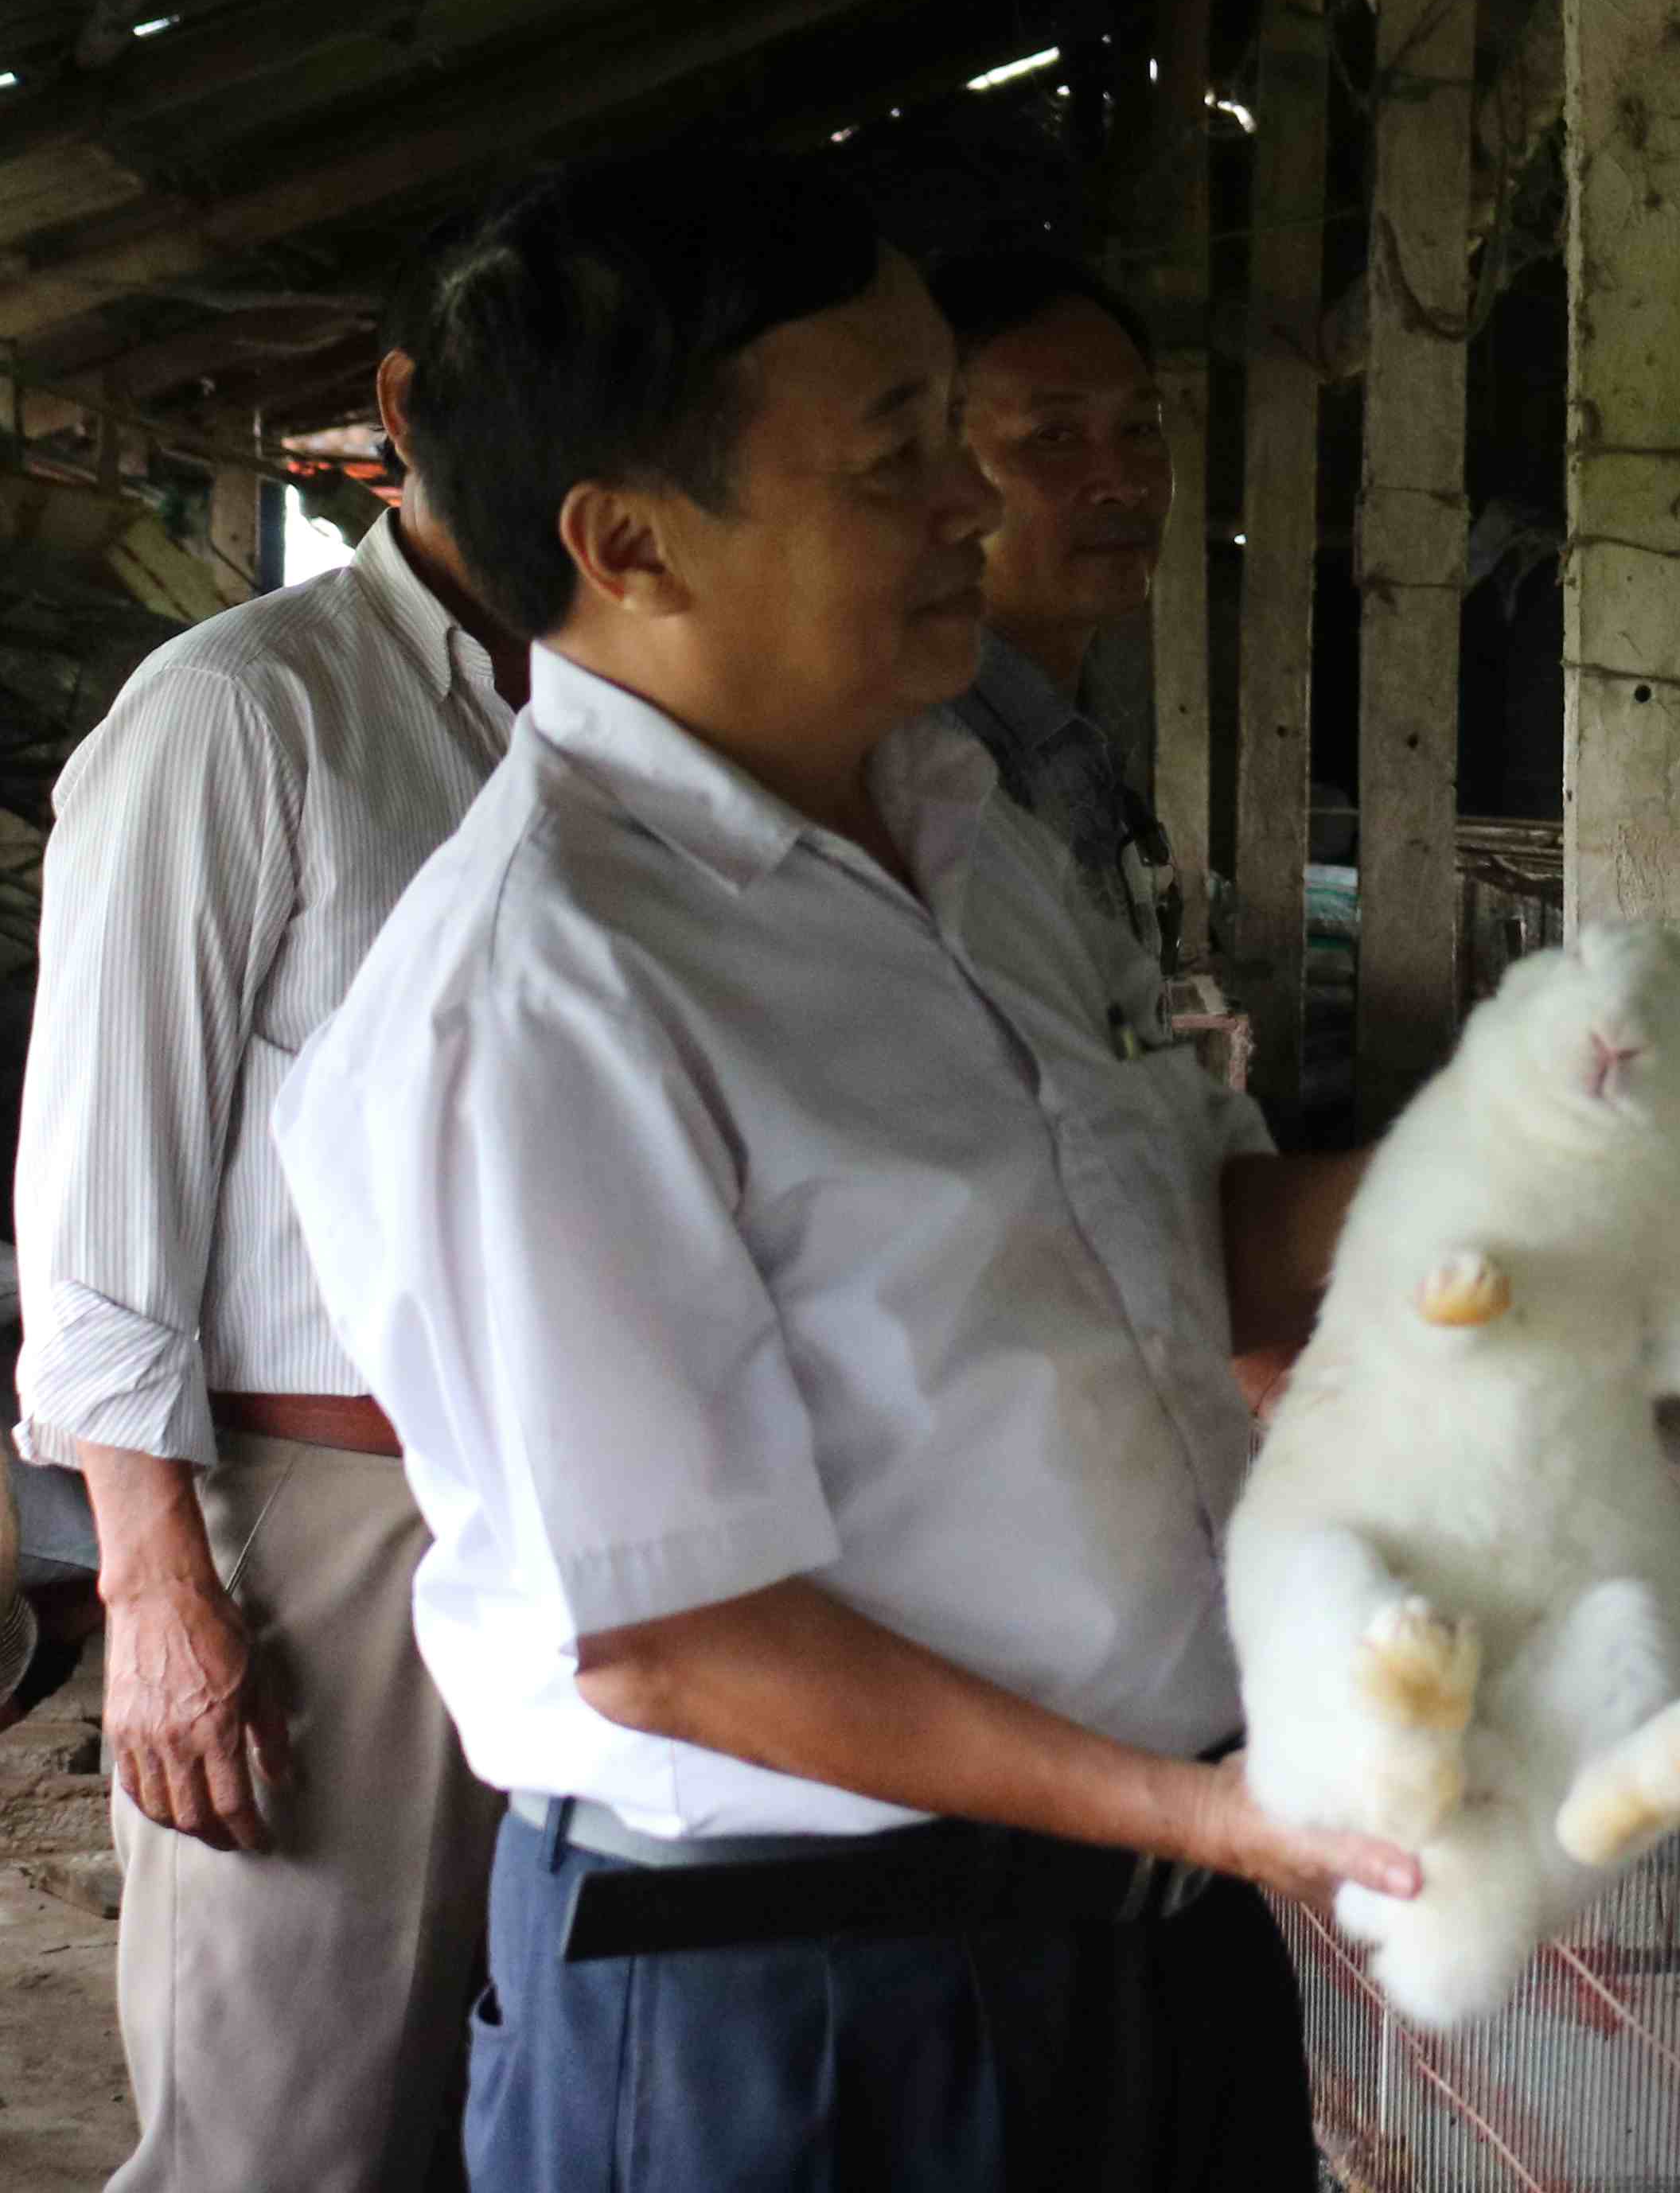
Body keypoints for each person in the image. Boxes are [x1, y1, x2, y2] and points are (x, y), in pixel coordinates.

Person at [270, 150, 1406, 2192]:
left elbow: (1176, 1244)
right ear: (631, 542)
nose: (973, 499)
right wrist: (1203, 1813)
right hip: (800, 2005)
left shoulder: (974, 836)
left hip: (1134, 1929)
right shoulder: (545, 989)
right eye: (898, 454)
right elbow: (683, 1636)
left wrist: (1492, 1163)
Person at [10, 236, 523, 2193]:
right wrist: (157, 1597)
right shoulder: (244, 711)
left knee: (525, 2111)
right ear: (402, 407)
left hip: (574, 1515)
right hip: (324, 1528)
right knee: (293, 2133)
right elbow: (99, 1195)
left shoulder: (626, 719)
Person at [929, 243, 1173, 977]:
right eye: (1055, 436)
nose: (1122, 482)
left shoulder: (1066, 729)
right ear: (934, 471)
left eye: (1141, 428)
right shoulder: (931, 773)